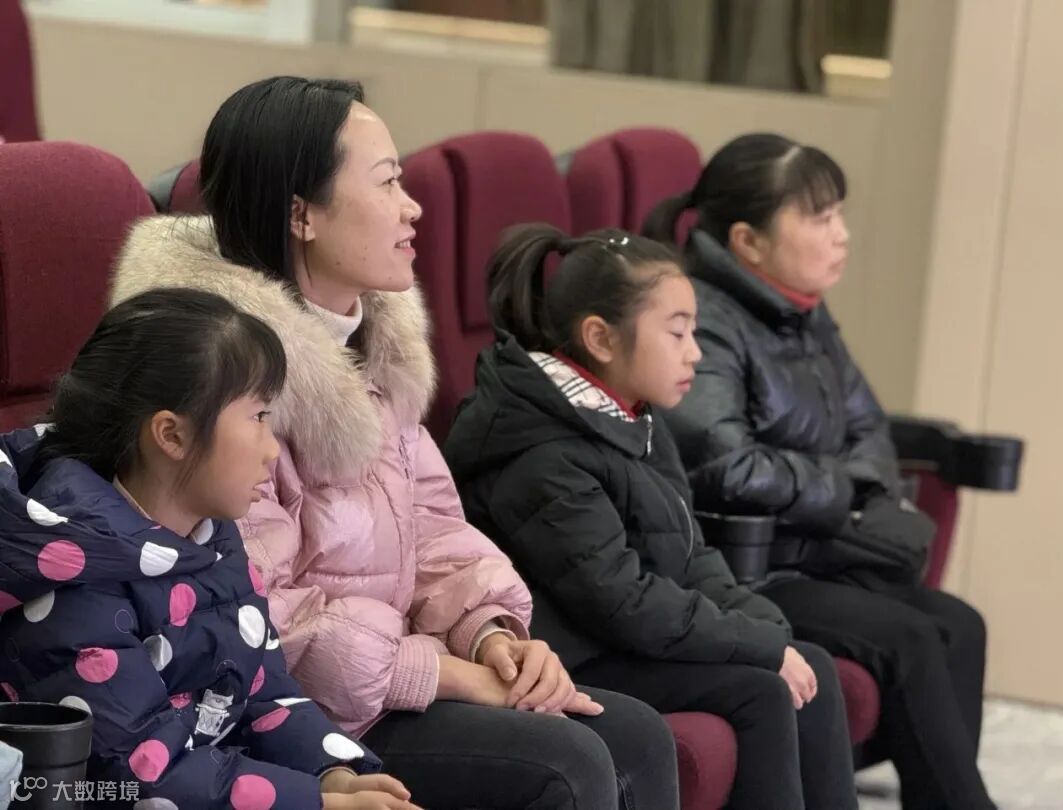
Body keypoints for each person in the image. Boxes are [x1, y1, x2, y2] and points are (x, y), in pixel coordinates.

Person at [108, 76, 679, 810]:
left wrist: (490, 636)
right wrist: (442, 673)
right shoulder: (219, 375)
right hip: (290, 715)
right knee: (566, 763)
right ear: (301, 214)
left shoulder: (371, 343)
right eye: (386, 183)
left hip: (392, 679)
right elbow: (256, 618)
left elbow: (433, 524)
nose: (412, 208)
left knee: (637, 734)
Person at [442, 223, 859, 810]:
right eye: (677, 332)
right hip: (574, 655)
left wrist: (764, 627)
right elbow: (622, 603)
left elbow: (691, 554)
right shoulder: (538, 451)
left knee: (807, 662)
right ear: (601, 338)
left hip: (626, 637)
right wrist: (758, 646)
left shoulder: (632, 415)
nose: (695, 352)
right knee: (762, 689)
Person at [646, 132, 995, 810]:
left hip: (815, 547)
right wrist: (843, 490)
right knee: (910, 638)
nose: (841, 235)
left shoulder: (802, 310)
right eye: (819, 217)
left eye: (839, 215)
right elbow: (723, 463)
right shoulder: (706, 322)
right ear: (748, 241)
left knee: (962, 624)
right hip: (746, 564)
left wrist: (854, 487)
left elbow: (868, 424)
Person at [0, 289, 420, 809]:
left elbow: (263, 692)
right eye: (259, 416)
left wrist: (333, 774)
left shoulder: (209, 537)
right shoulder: (74, 575)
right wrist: (317, 802)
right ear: (172, 435)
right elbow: (141, 775)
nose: (272, 449)